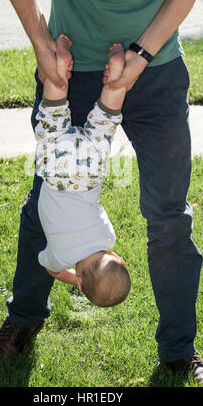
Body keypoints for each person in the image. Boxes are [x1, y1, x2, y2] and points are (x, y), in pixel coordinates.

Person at [0, 0, 203, 387]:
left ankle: (179, 349)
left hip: (157, 69)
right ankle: (24, 319)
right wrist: (40, 45)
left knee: (169, 214)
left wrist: (142, 56)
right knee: (43, 206)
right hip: (69, 67)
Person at [35, 35, 131, 307]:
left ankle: (115, 77)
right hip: (55, 172)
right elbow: (52, 270)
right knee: (53, 115)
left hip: (89, 173)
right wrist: (77, 278)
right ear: (79, 281)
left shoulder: (107, 237)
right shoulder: (60, 256)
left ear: (117, 258)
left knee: (104, 121)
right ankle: (59, 70)